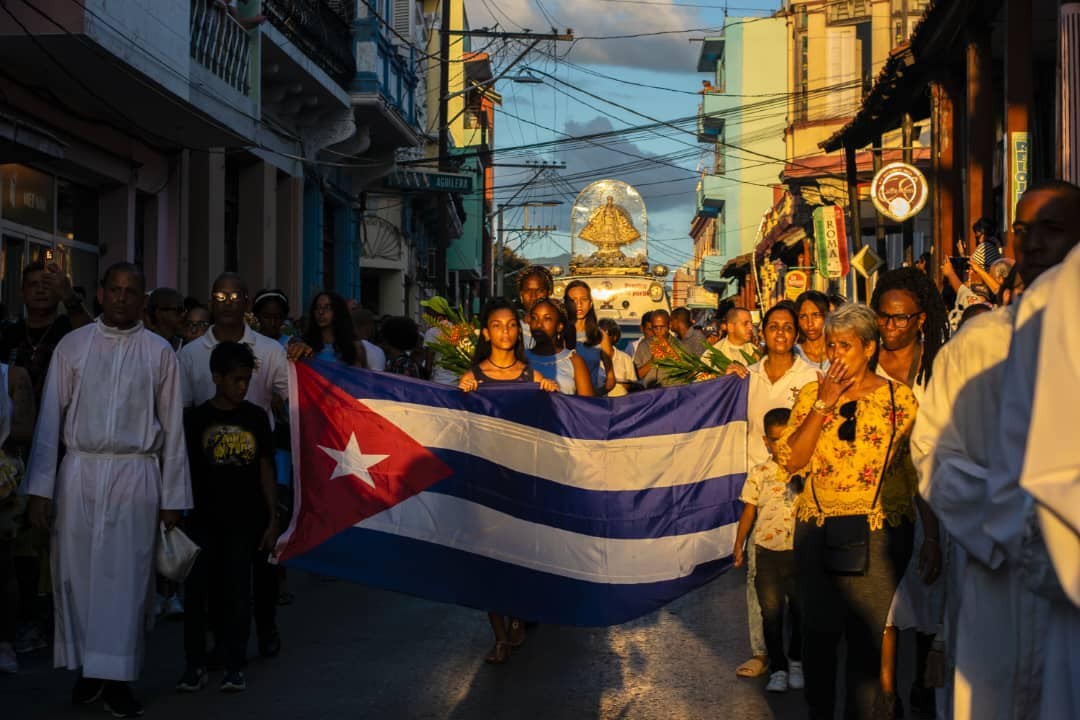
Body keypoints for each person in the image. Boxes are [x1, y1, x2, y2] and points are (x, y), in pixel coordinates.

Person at [911, 180, 1080, 720]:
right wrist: (1016, 516)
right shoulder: (977, 344)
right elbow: (932, 450)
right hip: (995, 572)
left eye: (1051, 229)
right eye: (1022, 230)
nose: (1032, 244)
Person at [25, 262, 191, 718]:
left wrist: (173, 499)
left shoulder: (159, 353)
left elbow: (174, 428)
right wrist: (40, 487)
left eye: (130, 291)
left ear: (142, 300)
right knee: (78, 575)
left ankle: (118, 678)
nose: (121, 298)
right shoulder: (72, 346)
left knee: (127, 579)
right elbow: (49, 421)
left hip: (135, 476)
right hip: (79, 473)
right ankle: (90, 671)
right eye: (114, 289)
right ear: (101, 294)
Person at [778, 303, 919, 720]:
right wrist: (824, 404)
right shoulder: (811, 393)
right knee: (818, 639)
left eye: (845, 345)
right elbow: (792, 461)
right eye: (830, 345)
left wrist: (931, 537)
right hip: (818, 527)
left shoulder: (900, 399)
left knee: (866, 643)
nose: (835, 354)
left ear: (870, 347)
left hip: (879, 531)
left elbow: (915, 470)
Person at [178, 272, 292, 660]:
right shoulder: (190, 354)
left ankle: (267, 625)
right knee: (213, 568)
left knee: (260, 564)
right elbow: (180, 413)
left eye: (234, 295)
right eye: (219, 295)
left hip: (255, 472)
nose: (227, 301)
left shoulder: (270, 350)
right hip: (207, 480)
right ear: (211, 301)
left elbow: (293, 399)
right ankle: (219, 640)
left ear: (246, 301)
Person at [458, 299, 558, 664]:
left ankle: (518, 617)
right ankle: (499, 636)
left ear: (519, 333)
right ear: (486, 333)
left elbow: (549, 426)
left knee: (521, 555)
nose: (505, 331)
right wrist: (463, 390)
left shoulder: (532, 377)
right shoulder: (474, 377)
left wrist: (549, 394)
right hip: (486, 482)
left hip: (523, 480)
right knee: (489, 560)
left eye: (512, 325)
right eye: (497, 325)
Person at [869, 267, 948, 718]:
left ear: (920, 319)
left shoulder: (940, 363)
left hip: (932, 500)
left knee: (925, 597)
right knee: (884, 604)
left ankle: (920, 683)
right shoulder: (866, 362)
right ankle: (887, 694)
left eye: (901, 318)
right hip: (878, 499)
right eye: (883, 317)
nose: (890, 326)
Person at [177, 342, 276, 695]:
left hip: (245, 520)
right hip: (203, 520)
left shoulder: (255, 417)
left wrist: (272, 519)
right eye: (236, 380)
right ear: (216, 378)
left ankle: (234, 666)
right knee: (197, 594)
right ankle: (195, 665)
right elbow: (181, 467)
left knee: (237, 593)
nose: (242, 387)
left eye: (247, 380)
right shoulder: (197, 420)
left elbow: (265, 465)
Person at [736, 302, 818, 682]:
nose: (781, 333)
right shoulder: (747, 377)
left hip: (801, 487)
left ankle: (801, 656)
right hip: (762, 486)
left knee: (801, 583)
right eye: (773, 326)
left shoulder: (811, 376)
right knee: (760, 578)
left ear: (796, 334)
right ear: (762, 332)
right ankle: (763, 653)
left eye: (788, 327)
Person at [733, 407, 802, 694]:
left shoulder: (804, 471)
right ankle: (778, 668)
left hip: (798, 553)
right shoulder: (759, 472)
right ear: (765, 441)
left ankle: (796, 662)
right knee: (770, 613)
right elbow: (749, 511)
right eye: (775, 440)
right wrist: (739, 544)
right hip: (766, 552)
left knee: (799, 611)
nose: (781, 446)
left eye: (787, 439)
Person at [0, 360, 36, 674]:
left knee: (3, 565)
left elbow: (25, 429)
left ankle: (6, 641)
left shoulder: (12, 376)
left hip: (3, 481)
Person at [524, 299, 593, 397]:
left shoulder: (574, 360)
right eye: (534, 318)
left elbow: (587, 406)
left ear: (559, 326)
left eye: (547, 319)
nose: (539, 325)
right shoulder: (520, 358)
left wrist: (558, 395)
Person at [564, 280, 615, 394]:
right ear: (566, 303)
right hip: (564, 403)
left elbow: (611, 379)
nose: (579, 304)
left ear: (591, 303)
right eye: (573, 300)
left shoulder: (600, 336)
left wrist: (592, 396)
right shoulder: (559, 335)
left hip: (590, 405)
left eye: (584, 299)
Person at [302, 292, 367, 368]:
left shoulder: (355, 347)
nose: (321, 312)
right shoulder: (305, 345)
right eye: (317, 307)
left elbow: (360, 377)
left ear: (338, 311)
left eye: (327, 307)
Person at [632, 310, 683, 389]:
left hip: (671, 393)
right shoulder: (643, 346)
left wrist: (671, 354)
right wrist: (652, 361)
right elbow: (636, 375)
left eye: (662, 327)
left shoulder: (679, 345)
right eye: (655, 328)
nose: (659, 331)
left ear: (669, 325)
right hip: (650, 395)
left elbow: (686, 374)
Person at [516, 266, 554, 351]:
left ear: (549, 292)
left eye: (539, 290)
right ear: (521, 294)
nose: (533, 296)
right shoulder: (513, 329)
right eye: (527, 290)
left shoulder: (559, 329)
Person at [597, 319, 637, 397]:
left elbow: (633, 386)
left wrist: (625, 385)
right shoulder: (590, 358)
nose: (602, 336)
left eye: (606, 333)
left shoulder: (625, 359)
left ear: (614, 337)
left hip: (621, 404)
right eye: (599, 333)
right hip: (597, 404)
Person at [794, 291, 830, 371]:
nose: (810, 323)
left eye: (816, 315)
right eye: (803, 316)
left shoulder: (837, 353)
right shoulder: (794, 355)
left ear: (826, 315)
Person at [350, 307, 386, 371]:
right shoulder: (376, 351)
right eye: (374, 324)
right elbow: (376, 379)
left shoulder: (341, 346)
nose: (377, 328)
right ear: (368, 325)